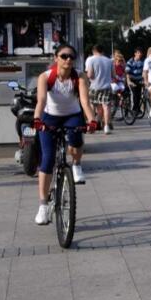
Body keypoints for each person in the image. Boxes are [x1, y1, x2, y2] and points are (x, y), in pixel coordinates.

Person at [32, 44, 99, 224]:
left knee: (76, 140)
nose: (68, 59)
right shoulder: (45, 77)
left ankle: (76, 165)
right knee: (47, 159)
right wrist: (37, 119)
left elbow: (85, 102)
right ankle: (43, 206)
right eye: (64, 56)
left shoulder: (80, 76)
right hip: (50, 117)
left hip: (72, 115)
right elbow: (41, 100)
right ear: (56, 58)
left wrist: (92, 120)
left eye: (72, 56)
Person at [84, 45, 115, 135]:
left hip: (95, 86)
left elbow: (89, 75)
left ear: (94, 51)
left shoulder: (91, 60)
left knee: (94, 106)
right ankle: (106, 126)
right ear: (102, 51)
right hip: (106, 86)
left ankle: (93, 125)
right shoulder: (109, 61)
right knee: (106, 107)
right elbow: (113, 75)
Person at [125, 48, 145, 115]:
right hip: (132, 80)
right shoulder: (130, 62)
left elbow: (145, 72)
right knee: (134, 94)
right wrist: (129, 81)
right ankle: (133, 109)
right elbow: (127, 73)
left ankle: (138, 108)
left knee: (139, 95)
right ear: (135, 54)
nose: (140, 54)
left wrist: (144, 80)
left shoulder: (143, 62)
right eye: (138, 53)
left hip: (139, 80)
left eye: (141, 53)